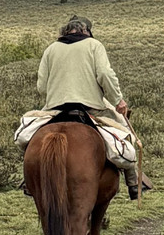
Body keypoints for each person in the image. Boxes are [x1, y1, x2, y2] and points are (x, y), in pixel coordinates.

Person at [36, 14, 139, 197]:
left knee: (29, 136)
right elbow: (105, 75)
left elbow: (41, 87)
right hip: (90, 107)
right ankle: (133, 183)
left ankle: (30, 181)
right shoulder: (94, 45)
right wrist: (118, 101)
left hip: (56, 108)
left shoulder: (51, 49)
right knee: (125, 135)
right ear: (86, 30)